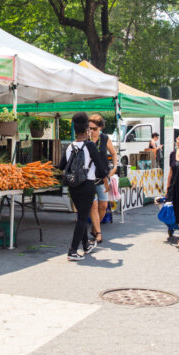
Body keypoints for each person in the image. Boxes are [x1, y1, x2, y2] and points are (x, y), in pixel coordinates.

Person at [58, 112, 108, 261]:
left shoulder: (69, 147)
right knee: (82, 218)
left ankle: (86, 245)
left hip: (73, 185)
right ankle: (72, 250)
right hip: (87, 184)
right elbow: (101, 168)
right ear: (87, 130)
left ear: (74, 130)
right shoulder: (90, 145)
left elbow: (62, 165)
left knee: (81, 213)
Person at [87, 114, 118, 243]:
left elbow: (114, 153)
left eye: (94, 128)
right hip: (88, 177)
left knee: (103, 205)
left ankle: (95, 227)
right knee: (93, 206)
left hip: (102, 177)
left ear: (100, 128)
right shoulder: (85, 139)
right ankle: (98, 233)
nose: (91, 131)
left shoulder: (105, 138)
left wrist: (115, 166)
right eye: (89, 128)